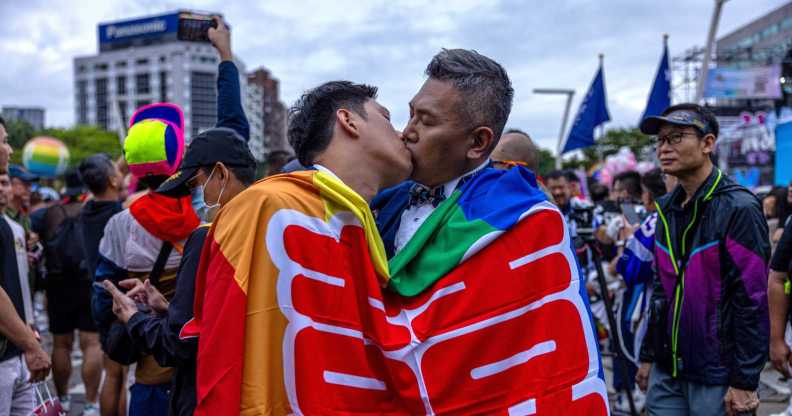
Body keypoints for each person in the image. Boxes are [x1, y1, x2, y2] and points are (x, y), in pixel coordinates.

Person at [103, 129, 256, 416]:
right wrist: (169, 306)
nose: (198, 197)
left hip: (208, 394)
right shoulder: (272, 228)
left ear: (221, 175)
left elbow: (179, 344)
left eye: (198, 184)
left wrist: (132, 317)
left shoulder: (211, 238)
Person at [636, 103, 769, 415]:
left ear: (708, 143)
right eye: (660, 141)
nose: (664, 148)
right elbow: (662, 290)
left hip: (717, 374)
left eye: (677, 137)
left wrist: (745, 380)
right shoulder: (667, 207)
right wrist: (649, 356)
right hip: (668, 371)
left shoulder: (739, 207)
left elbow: (752, 299)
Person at [93, 102, 199, 416]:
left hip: (149, 365)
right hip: (196, 367)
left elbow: (102, 296)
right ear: (180, 159)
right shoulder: (208, 217)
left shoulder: (121, 224)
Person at [32, 169, 101, 413]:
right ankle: (92, 403)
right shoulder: (93, 211)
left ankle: (64, 398)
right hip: (88, 282)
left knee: (61, 345)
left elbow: (31, 237)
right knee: (91, 343)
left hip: (58, 284)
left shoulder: (48, 214)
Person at [608, 168, 670, 413]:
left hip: (654, 307)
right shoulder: (717, 208)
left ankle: (639, 395)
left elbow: (631, 268)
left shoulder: (655, 220)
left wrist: (627, 241)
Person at [0, 168, 51, 416]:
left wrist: (30, 326)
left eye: (5, 182)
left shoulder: (16, 226)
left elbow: (21, 282)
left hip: (19, 344)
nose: (3, 188)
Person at [78, 154, 126, 416]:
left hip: (98, 292)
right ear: (112, 180)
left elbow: (109, 178)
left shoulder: (86, 211)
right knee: (122, 372)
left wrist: (117, 164)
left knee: (111, 371)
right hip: (120, 295)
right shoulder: (120, 215)